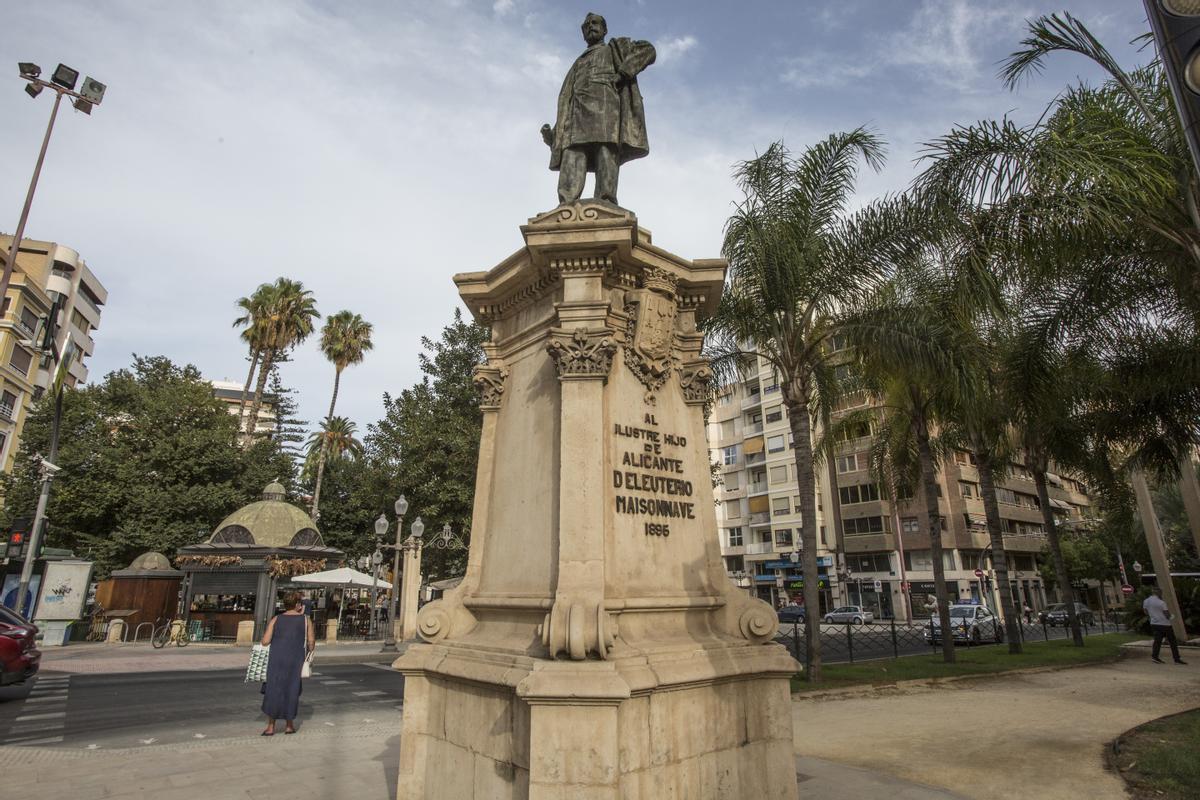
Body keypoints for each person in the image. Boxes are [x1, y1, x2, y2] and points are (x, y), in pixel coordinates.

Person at [541, 12, 656, 205]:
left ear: (604, 29)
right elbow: (566, 102)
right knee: (572, 154)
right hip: (576, 120)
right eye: (586, 26)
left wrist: (623, 73)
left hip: (606, 115)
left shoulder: (614, 48)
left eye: (595, 23)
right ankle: (566, 204)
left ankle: (606, 200)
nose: (590, 27)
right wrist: (554, 134)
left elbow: (648, 50)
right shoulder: (578, 62)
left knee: (606, 153)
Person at [259, 590, 315, 735]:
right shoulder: (305, 620)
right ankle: (289, 726)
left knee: (273, 690)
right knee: (291, 690)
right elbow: (311, 643)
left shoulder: (276, 619)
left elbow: (265, 641)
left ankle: (270, 726)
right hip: (295, 660)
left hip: (276, 659)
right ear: (297, 604)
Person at [1143, 587, 1187, 665]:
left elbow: (1146, 611)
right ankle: (1176, 659)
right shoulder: (1161, 603)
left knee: (1157, 641)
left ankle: (1155, 657)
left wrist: (1153, 616)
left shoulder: (1146, 601)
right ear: (1159, 593)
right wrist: (1172, 617)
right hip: (1165, 624)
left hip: (1154, 623)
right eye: (1161, 593)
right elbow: (1167, 614)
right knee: (1172, 641)